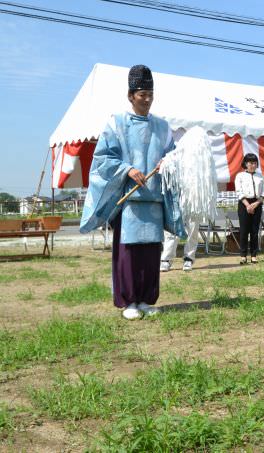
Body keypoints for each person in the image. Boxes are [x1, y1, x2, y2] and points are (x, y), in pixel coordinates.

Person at [80, 64, 183, 320]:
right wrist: (127, 169)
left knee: (150, 253)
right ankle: (129, 302)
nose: (147, 99)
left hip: (154, 199)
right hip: (128, 202)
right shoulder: (116, 124)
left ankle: (147, 299)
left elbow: (173, 154)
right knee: (128, 254)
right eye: (141, 95)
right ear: (130, 95)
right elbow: (103, 158)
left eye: (150, 94)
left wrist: (167, 162)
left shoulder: (162, 126)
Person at [235, 153, 264, 264]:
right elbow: (239, 191)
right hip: (244, 204)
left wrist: (255, 204)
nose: (252, 165)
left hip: (257, 203)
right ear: (245, 163)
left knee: (254, 231)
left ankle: (254, 255)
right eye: (250, 163)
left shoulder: (261, 176)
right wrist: (248, 205)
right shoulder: (240, 176)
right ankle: (243, 256)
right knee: (244, 231)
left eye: (254, 163)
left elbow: (263, 193)